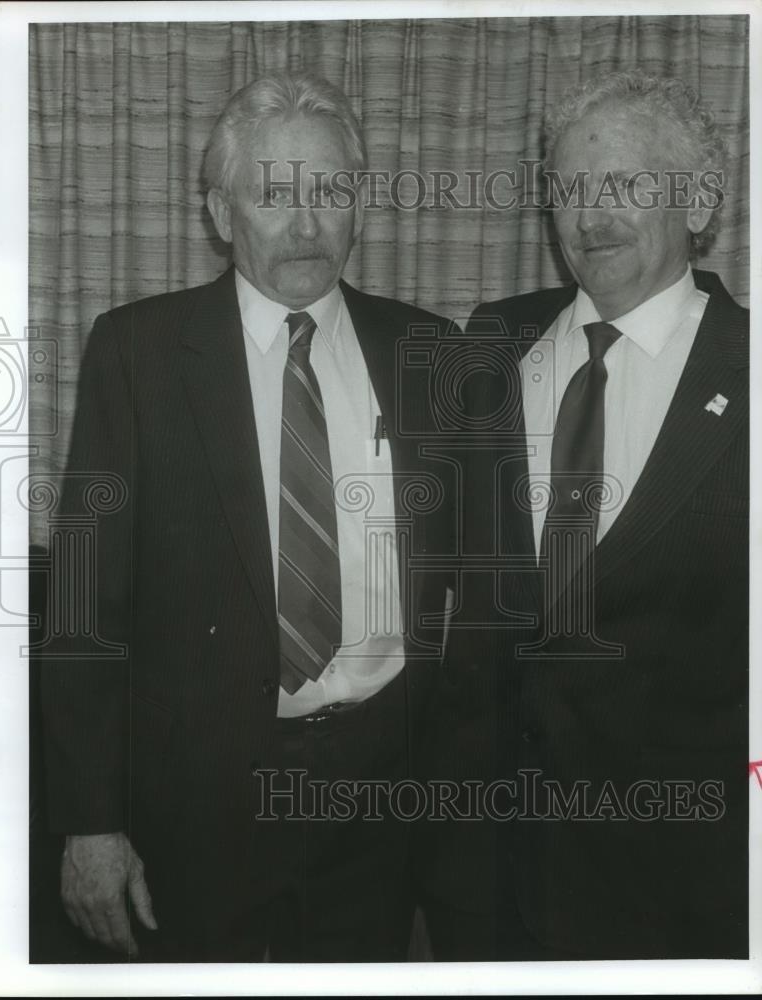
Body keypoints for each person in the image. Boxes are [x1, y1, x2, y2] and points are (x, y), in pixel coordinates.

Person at [40, 70, 456, 963]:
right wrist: (88, 825)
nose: (306, 225)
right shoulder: (140, 351)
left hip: (381, 793)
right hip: (197, 796)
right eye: (274, 194)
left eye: (330, 192)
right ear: (222, 215)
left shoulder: (428, 350)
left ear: (359, 205)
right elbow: (81, 606)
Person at [420, 70, 748, 960]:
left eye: (624, 186)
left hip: (685, 895)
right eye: (568, 190)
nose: (588, 218)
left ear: (701, 200)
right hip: (483, 885)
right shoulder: (485, 346)